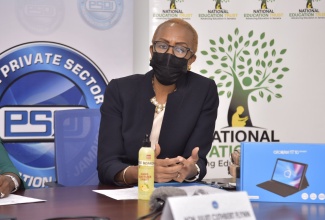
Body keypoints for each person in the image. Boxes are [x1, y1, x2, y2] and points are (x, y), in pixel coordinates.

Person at [97, 18, 219, 186]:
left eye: (180, 49)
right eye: (162, 45)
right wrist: (143, 172)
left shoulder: (203, 90)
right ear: (152, 50)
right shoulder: (120, 89)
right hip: (126, 196)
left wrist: (190, 170)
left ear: (191, 59)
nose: (169, 54)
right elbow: (107, 166)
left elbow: (198, 161)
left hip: (177, 193)